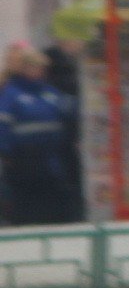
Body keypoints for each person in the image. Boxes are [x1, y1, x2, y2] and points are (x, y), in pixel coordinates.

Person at [0, 43, 77, 226]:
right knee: (26, 203)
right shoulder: (12, 93)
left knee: (52, 199)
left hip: (50, 159)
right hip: (23, 160)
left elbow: (66, 110)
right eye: (35, 67)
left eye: (42, 68)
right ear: (24, 68)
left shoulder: (48, 92)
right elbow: (4, 125)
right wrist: (5, 151)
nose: (40, 71)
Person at [43, 14, 90, 221]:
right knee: (69, 182)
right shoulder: (65, 72)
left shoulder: (56, 69)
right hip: (65, 140)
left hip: (62, 139)